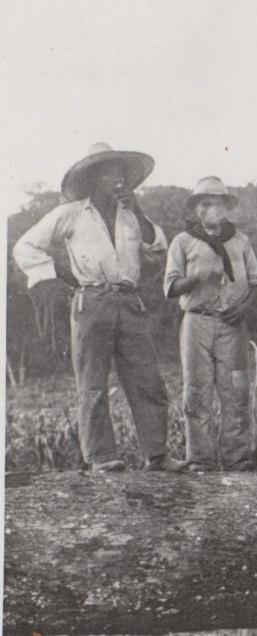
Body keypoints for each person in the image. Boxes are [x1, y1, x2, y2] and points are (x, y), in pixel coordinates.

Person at [12, 142, 185, 472]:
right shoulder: (71, 213)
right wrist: (56, 275)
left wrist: (135, 209)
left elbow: (157, 248)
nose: (115, 178)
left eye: (119, 171)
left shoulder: (131, 214)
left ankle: (158, 455)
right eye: (107, 172)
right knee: (92, 383)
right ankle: (102, 457)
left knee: (147, 379)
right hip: (91, 300)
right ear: (92, 178)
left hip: (128, 300)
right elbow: (26, 246)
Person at [164, 176, 257, 472]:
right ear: (197, 209)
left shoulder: (240, 241)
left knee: (235, 390)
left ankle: (237, 458)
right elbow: (170, 287)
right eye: (205, 204)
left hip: (231, 325)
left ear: (226, 208)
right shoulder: (183, 242)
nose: (212, 209)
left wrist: (243, 309)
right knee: (197, 392)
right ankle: (200, 459)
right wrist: (198, 276)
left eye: (218, 204)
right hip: (197, 322)